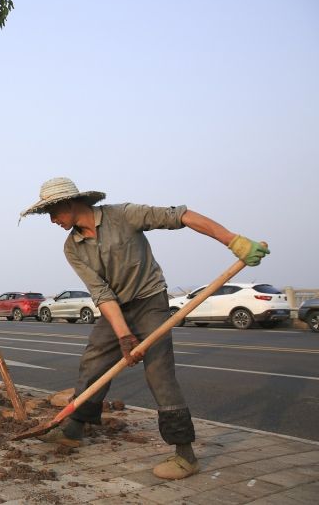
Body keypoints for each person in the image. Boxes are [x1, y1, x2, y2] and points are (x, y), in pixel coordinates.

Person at [20, 177, 268, 480]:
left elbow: (181, 215)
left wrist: (233, 240)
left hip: (151, 301)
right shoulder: (73, 247)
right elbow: (102, 294)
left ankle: (185, 455)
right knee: (94, 361)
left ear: (69, 204)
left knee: (158, 372)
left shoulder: (123, 215)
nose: (52, 220)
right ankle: (73, 428)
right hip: (117, 310)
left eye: (53, 212)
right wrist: (124, 335)